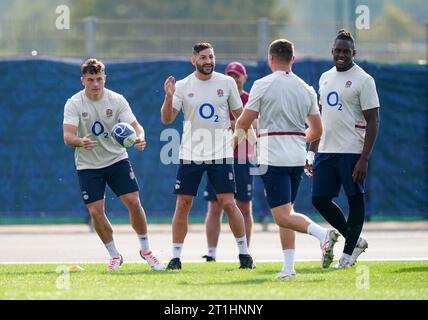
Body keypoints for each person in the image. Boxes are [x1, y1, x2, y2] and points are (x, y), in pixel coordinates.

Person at [235, 39, 340, 280]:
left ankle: (322, 235)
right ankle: (289, 268)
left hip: (272, 157)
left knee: (281, 215)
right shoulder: (306, 89)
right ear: (292, 59)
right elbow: (317, 130)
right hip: (296, 157)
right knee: (287, 213)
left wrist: (229, 148)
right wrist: (297, 140)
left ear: (271, 59)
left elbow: (243, 122)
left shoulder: (262, 84)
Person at [63, 58, 165, 271]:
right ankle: (114, 255)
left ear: (105, 78)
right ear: (83, 81)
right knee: (95, 211)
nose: (95, 84)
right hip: (88, 165)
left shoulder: (116, 100)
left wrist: (139, 139)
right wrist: (80, 141)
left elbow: (137, 127)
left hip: (116, 159)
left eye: (99, 79)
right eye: (90, 80)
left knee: (133, 202)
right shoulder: (74, 103)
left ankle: (146, 250)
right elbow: (67, 136)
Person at [161, 42, 255, 270]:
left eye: (211, 57)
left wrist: (233, 143)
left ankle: (244, 254)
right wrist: (168, 97)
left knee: (228, 204)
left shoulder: (227, 82)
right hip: (190, 155)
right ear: (194, 60)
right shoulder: (183, 86)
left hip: (220, 156)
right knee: (183, 204)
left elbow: (242, 120)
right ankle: (175, 258)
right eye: (203, 57)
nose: (208, 61)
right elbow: (167, 119)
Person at [306, 29, 380, 269]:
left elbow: (373, 120)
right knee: (319, 199)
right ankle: (354, 241)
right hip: (326, 150)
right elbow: (319, 118)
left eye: (346, 51)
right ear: (332, 51)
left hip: (352, 151)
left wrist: (364, 159)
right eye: (337, 50)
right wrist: (311, 151)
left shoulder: (364, 80)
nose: (341, 55)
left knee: (354, 199)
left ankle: (347, 256)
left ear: (353, 53)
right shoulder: (325, 77)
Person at [202, 61, 255, 262]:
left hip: (241, 159)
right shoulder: (219, 98)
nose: (234, 78)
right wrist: (237, 123)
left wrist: (235, 124)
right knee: (215, 206)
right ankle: (211, 253)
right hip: (218, 157)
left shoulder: (249, 100)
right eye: (230, 75)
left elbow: (254, 126)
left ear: (244, 77)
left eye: (237, 75)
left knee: (244, 207)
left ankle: (245, 252)